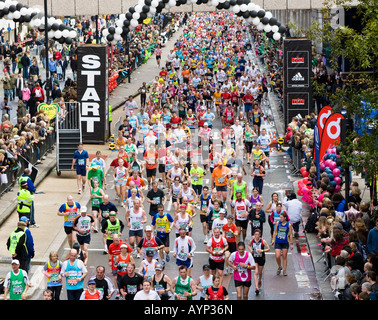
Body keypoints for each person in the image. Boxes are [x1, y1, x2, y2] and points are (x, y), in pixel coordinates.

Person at [248, 229, 270, 296]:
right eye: (255, 234)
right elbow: (248, 245)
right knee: (256, 272)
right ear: (254, 235)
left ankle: (259, 279)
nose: (256, 236)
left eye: (258, 234)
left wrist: (262, 250)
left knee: (260, 272)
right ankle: (256, 287)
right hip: (254, 258)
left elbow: (268, 249)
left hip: (261, 258)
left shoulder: (263, 241)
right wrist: (251, 250)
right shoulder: (252, 241)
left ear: (260, 235)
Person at [272, 212, 294, 276]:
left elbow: (290, 235)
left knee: (284, 256)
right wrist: (273, 240)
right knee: (277, 256)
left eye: (281, 217)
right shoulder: (278, 223)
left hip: (285, 242)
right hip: (278, 242)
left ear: (285, 218)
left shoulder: (288, 225)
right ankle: (279, 266)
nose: (280, 218)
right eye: (280, 217)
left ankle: (284, 270)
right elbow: (275, 231)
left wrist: (291, 243)